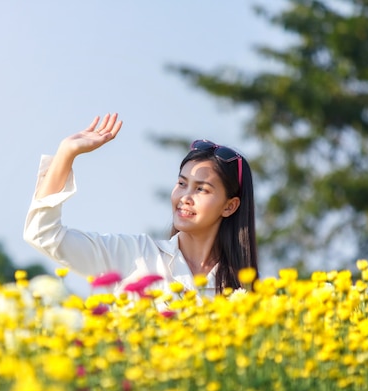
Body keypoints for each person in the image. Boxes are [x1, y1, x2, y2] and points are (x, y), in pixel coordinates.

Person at [23, 113, 258, 298]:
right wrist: (66, 153)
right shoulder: (133, 255)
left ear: (230, 206)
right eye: (181, 183)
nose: (185, 196)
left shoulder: (241, 293)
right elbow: (43, 235)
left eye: (201, 189)